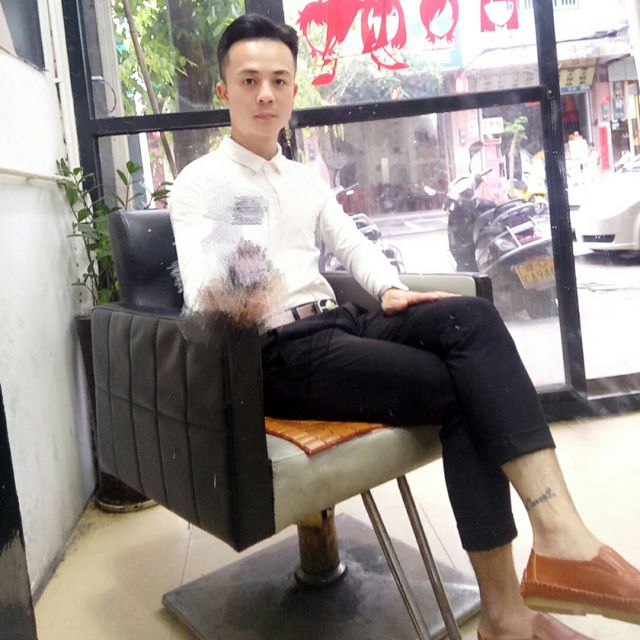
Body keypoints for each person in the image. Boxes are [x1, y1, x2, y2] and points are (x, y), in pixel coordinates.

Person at [169, 14, 640, 640]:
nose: (265, 94)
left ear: (293, 89)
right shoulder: (201, 182)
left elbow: (352, 243)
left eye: (279, 80)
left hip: (338, 325)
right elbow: (206, 298)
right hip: (275, 352)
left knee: (471, 317)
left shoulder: (301, 178)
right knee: (464, 392)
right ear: (223, 90)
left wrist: (390, 289)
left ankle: (559, 536)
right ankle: (508, 614)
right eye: (249, 80)